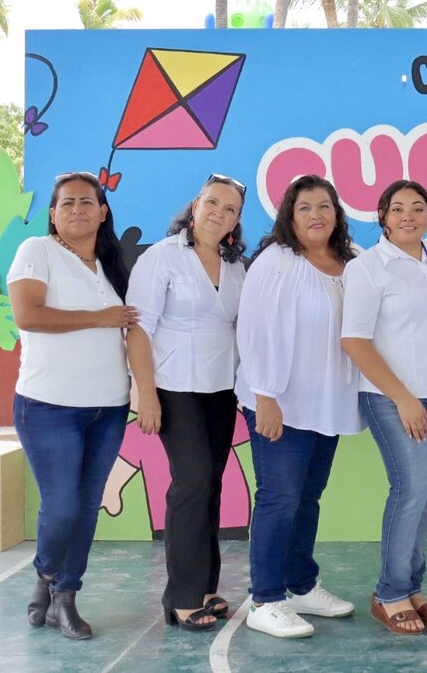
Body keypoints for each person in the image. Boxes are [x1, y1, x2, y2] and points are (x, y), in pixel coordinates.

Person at [8, 171, 138, 640]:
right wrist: (100, 318)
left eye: (87, 202)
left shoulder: (112, 265)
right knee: (62, 507)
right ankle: (46, 574)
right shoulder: (37, 251)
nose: (78, 209)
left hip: (109, 409)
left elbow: (134, 328)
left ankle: (65, 596)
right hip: (49, 407)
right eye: (68, 203)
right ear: (53, 213)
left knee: (86, 509)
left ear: (103, 212)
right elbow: (28, 314)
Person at [235, 175, 361, 639]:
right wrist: (265, 397)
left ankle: (301, 585)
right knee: (280, 497)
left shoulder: (351, 261)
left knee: (308, 497)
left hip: (325, 403)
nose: (316, 215)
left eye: (324, 206)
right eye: (304, 207)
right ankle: (265, 600)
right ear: (290, 215)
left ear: (337, 213)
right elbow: (254, 330)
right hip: (280, 403)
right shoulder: (277, 262)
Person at [126, 173, 247, 631]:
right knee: (191, 480)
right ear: (195, 206)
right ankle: (180, 597)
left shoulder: (236, 266)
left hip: (221, 388)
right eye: (212, 202)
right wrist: (146, 394)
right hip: (174, 387)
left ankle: (204, 587)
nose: (218, 212)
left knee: (210, 484)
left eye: (230, 208)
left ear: (236, 221)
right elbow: (138, 329)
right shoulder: (161, 257)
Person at [342, 179, 427, 635]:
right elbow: (355, 341)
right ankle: (388, 593)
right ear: (382, 217)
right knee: (410, 489)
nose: (408, 215)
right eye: (397, 208)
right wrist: (403, 398)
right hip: (393, 398)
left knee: (426, 492)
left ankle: (412, 586)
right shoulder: (368, 268)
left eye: (417, 207)